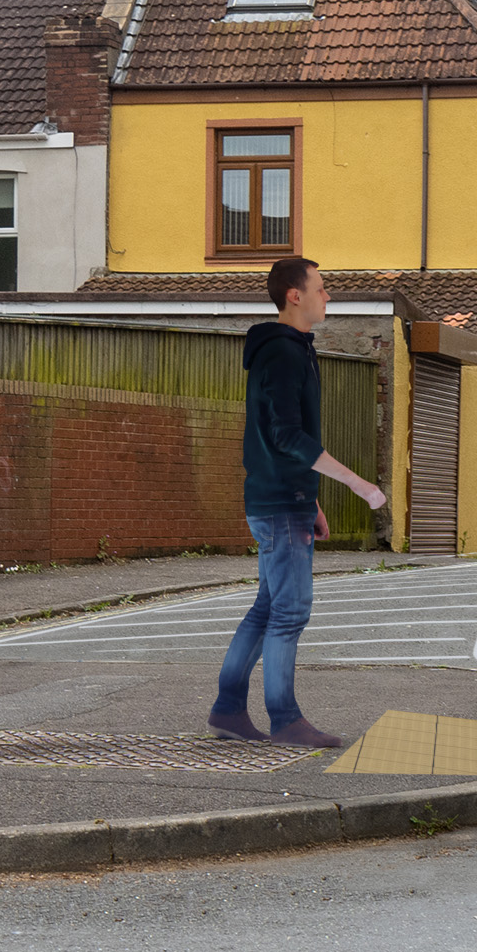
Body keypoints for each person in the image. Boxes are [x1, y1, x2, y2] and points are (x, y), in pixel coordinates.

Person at [209, 257, 391, 746]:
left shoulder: (291, 349)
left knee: (268, 609)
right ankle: (285, 718)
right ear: (295, 294)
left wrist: (312, 501)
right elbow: (286, 434)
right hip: (279, 502)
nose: (327, 296)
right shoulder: (284, 353)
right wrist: (358, 484)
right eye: (322, 288)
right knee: (289, 613)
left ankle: (228, 709)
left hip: (284, 499)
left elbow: (280, 436)